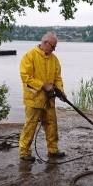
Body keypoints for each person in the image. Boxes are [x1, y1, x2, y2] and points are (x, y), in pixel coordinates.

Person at [19, 33, 67, 161]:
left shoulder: (54, 59)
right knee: (30, 125)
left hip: (49, 99)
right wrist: (43, 85)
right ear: (45, 43)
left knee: (51, 124)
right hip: (34, 99)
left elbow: (57, 78)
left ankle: (53, 150)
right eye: (53, 46)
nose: (54, 49)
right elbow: (26, 76)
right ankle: (24, 152)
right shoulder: (29, 56)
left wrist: (60, 91)